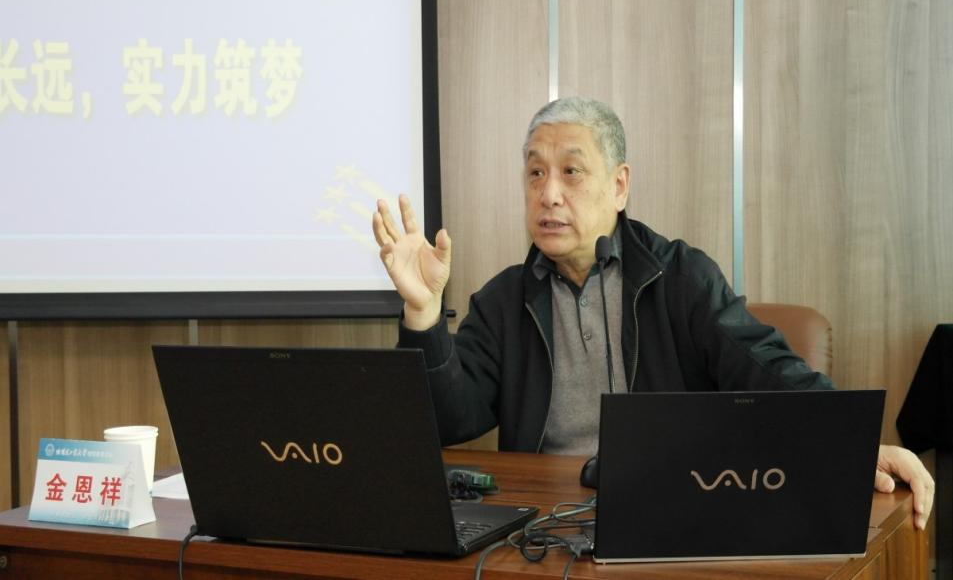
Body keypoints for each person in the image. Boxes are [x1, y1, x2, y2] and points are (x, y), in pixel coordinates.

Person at [372, 96, 934, 530]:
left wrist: (852, 442)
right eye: (535, 173)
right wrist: (423, 314)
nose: (548, 194)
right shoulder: (502, 301)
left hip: (673, 512)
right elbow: (449, 422)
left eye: (571, 172)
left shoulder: (680, 278)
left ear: (619, 186)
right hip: (542, 525)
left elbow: (765, 370)